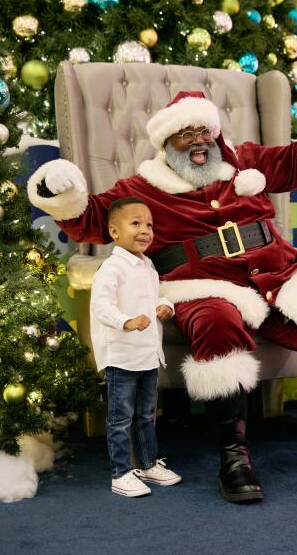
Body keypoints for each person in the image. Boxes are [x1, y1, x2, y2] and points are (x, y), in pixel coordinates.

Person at [28, 91, 297, 504]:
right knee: (216, 323)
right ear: (165, 143)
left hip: (278, 277)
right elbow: (92, 219)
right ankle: (233, 458)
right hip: (202, 287)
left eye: (203, 131)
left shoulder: (244, 160)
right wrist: (64, 195)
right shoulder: (143, 187)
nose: (198, 141)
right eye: (184, 134)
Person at [90, 196, 181, 498]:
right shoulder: (111, 268)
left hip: (147, 355)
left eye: (149, 225)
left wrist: (165, 304)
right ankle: (121, 473)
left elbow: (154, 296)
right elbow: (101, 306)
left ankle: (147, 463)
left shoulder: (148, 265)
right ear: (114, 232)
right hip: (122, 357)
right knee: (120, 418)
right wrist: (126, 321)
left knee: (146, 415)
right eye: (136, 224)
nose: (145, 230)